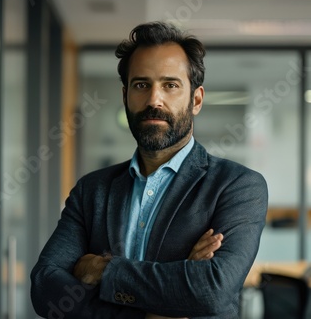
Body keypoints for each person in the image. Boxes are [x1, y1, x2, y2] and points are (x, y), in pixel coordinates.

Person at [30, 21, 268, 318]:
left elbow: (211, 291)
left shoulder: (238, 187)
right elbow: (44, 288)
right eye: (141, 85)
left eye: (170, 85)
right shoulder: (92, 190)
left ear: (196, 100)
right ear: (125, 96)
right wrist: (167, 293)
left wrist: (102, 270)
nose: (154, 99)